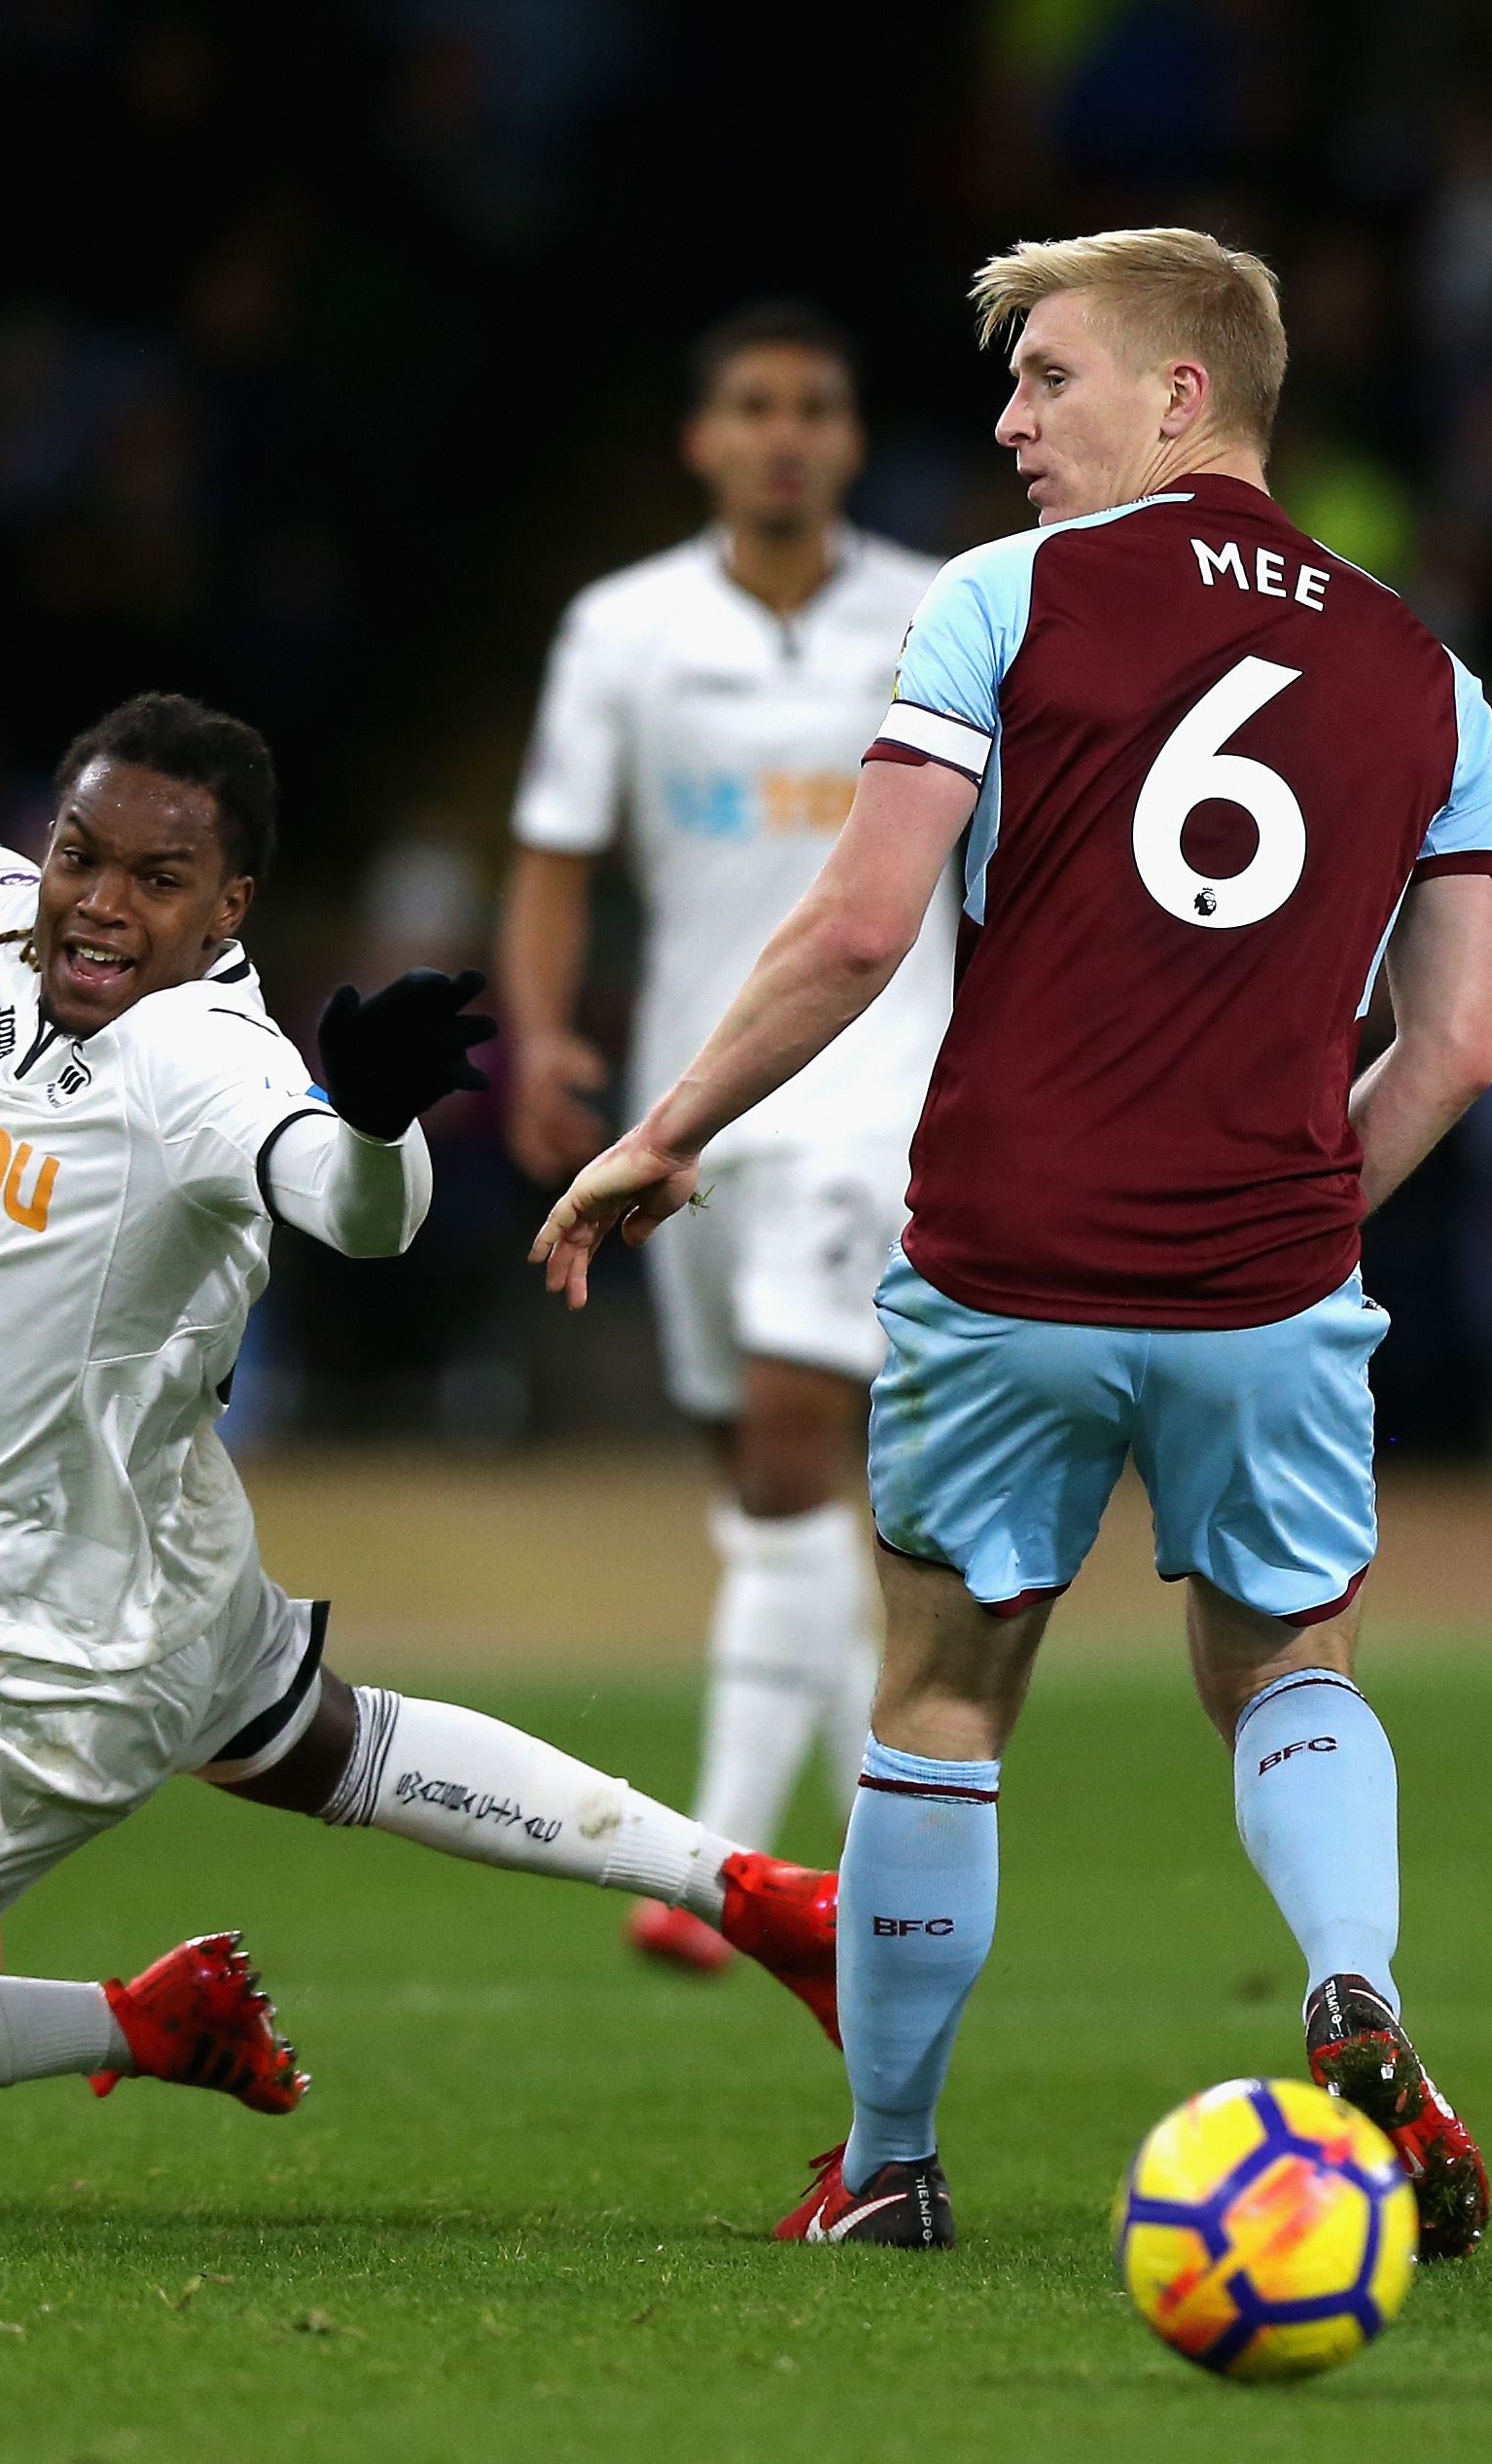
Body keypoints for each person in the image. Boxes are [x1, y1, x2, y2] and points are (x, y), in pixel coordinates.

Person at [0, 595, 843, 2121]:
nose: (98, 903)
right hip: (154, 1563)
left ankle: (140, 2021)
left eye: (157, 879)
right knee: (333, 1743)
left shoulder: (203, 1062)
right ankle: (753, 1889)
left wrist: (376, 1127)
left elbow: (350, 1210)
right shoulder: (18, 936)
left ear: (227, 906)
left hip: (37, 1669)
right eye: (79, 855)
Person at [536, 229, 1492, 2257]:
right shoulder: (1430, 674)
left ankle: (888, 2160)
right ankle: (1353, 1979)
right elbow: (1458, 1048)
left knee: (947, 1695)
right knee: (1283, 1661)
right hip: (1268, 1275)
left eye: (1048, 378)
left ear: (1179, 398)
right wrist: (1301, 1214)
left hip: (1006, 1261)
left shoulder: (998, 603)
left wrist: (665, 1128)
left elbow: (855, 925)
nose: (1006, 422)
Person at [493, 303, 949, 1977]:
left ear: (849, 438)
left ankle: (727, 1868)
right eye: (752, 406)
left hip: (880, 1089)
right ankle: (884, 1854)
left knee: (784, 1452)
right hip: (696, 1101)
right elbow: (553, 850)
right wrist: (545, 1035)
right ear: (702, 439)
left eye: (815, 407)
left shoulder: (939, 613)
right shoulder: (621, 629)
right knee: (767, 1500)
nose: (783, 433)